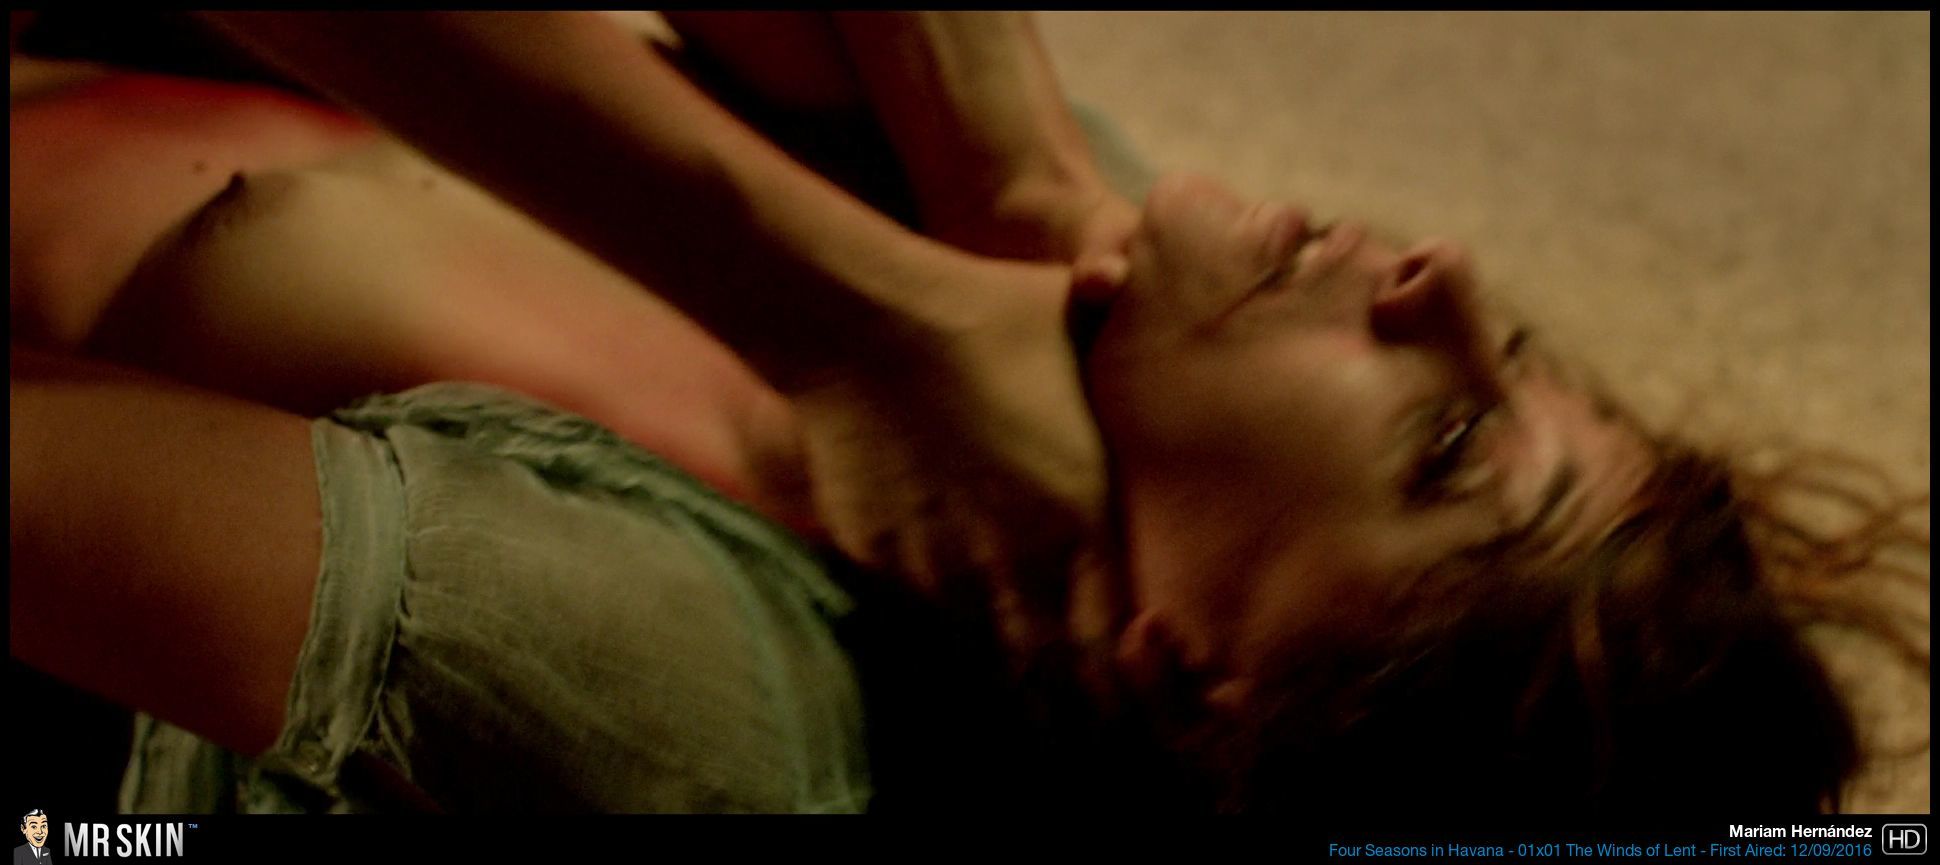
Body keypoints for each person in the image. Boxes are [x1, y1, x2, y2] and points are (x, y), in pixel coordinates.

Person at [11, 14, 1926, 817]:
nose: (1448, 284)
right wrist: (997, 155)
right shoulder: (1095, 328)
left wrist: (839, 310)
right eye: (1528, 362)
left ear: (1202, 678)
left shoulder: (684, 691)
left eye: (1444, 447)